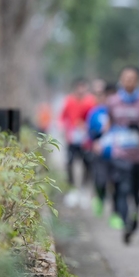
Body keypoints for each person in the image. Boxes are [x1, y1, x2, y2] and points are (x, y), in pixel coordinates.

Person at [106, 66, 139, 243]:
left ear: (138, 80)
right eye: (125, 78)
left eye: (132, 78)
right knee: (122, 188)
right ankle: (126, 222)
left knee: (136, 191)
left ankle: (135, 216)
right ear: (121, 79)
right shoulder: (113, 101)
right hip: (120, 154)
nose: (128, 81)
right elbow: (109, 122)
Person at [60, 77, 97, 205]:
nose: (81, 90)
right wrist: (65, 129)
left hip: (86, 139)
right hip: (72, 138)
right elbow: (63, 117)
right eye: (79, 87)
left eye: (83, 87)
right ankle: (72, 190)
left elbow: (94, 118)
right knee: (70, 163)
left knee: (87, 164)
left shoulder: (91, 101)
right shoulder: (69, 101)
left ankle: (84, 190)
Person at [87, 82, 117, 218]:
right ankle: (100, 198)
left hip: (117, 154)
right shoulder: (96, 113)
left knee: (117, 184)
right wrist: (94, 143)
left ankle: (116, 213)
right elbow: (90, 133)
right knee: (100, 181)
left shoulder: (120, 112)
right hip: (100, 154)